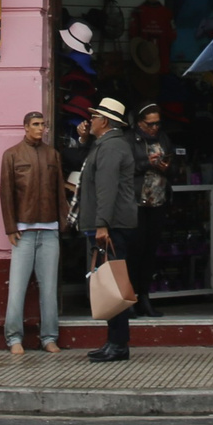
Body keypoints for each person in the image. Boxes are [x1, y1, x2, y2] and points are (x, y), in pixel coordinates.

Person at [73, 96, 141, 363]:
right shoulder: (105, 144)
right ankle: (113, 340)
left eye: (94, 117)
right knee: (108, 282)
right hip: (109, 225)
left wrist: (102, 224)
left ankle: (119, 343)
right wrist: (84, 140)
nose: (90, 120)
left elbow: (107, 188)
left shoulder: (111, 148)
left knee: (112, 284)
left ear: (104, 121)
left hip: (111, 226)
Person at [0, 109, 67, 355]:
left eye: (43, 124)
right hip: (23, 232)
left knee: (49, 289)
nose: (41, 128)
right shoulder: (12, 156)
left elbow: (59, 191)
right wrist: (10, 227)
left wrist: (62, 223)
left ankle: (49, 337)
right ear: (26, 127)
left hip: (49, 230)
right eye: (36, 124)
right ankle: (14, 338)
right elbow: (6, 194)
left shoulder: (52, 155)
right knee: (16, 289)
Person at [132, 103, 173, 318]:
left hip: (158, 201)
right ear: (140, 123)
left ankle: (144, 297)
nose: (154, 128)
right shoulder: (130, 140)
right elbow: (126, 166)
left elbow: (173, 163)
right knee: (134, 251)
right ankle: (130, 299)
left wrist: (168, 167)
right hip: (136, 202)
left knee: (150, 252)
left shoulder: (163, 138)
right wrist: (146, 163)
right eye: (150, 124)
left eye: (157, 123)